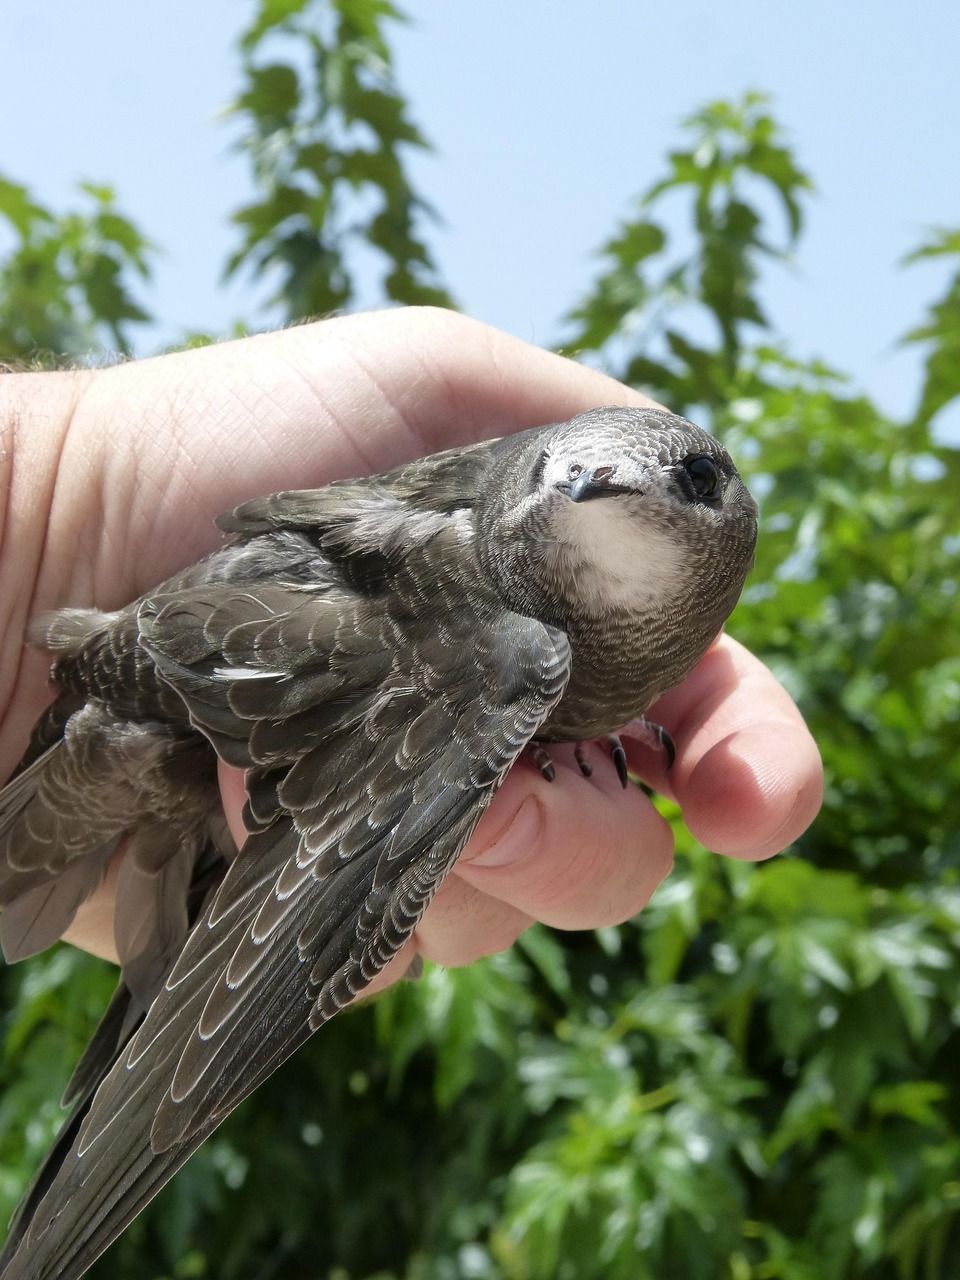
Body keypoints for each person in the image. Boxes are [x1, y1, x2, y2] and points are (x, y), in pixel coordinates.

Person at [0, 307, 822, 992]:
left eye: (688, 488)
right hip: (137, 726)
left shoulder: (609, 611)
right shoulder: (498, 629)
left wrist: (51, 489)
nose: (594, 484)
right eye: (560, 478)